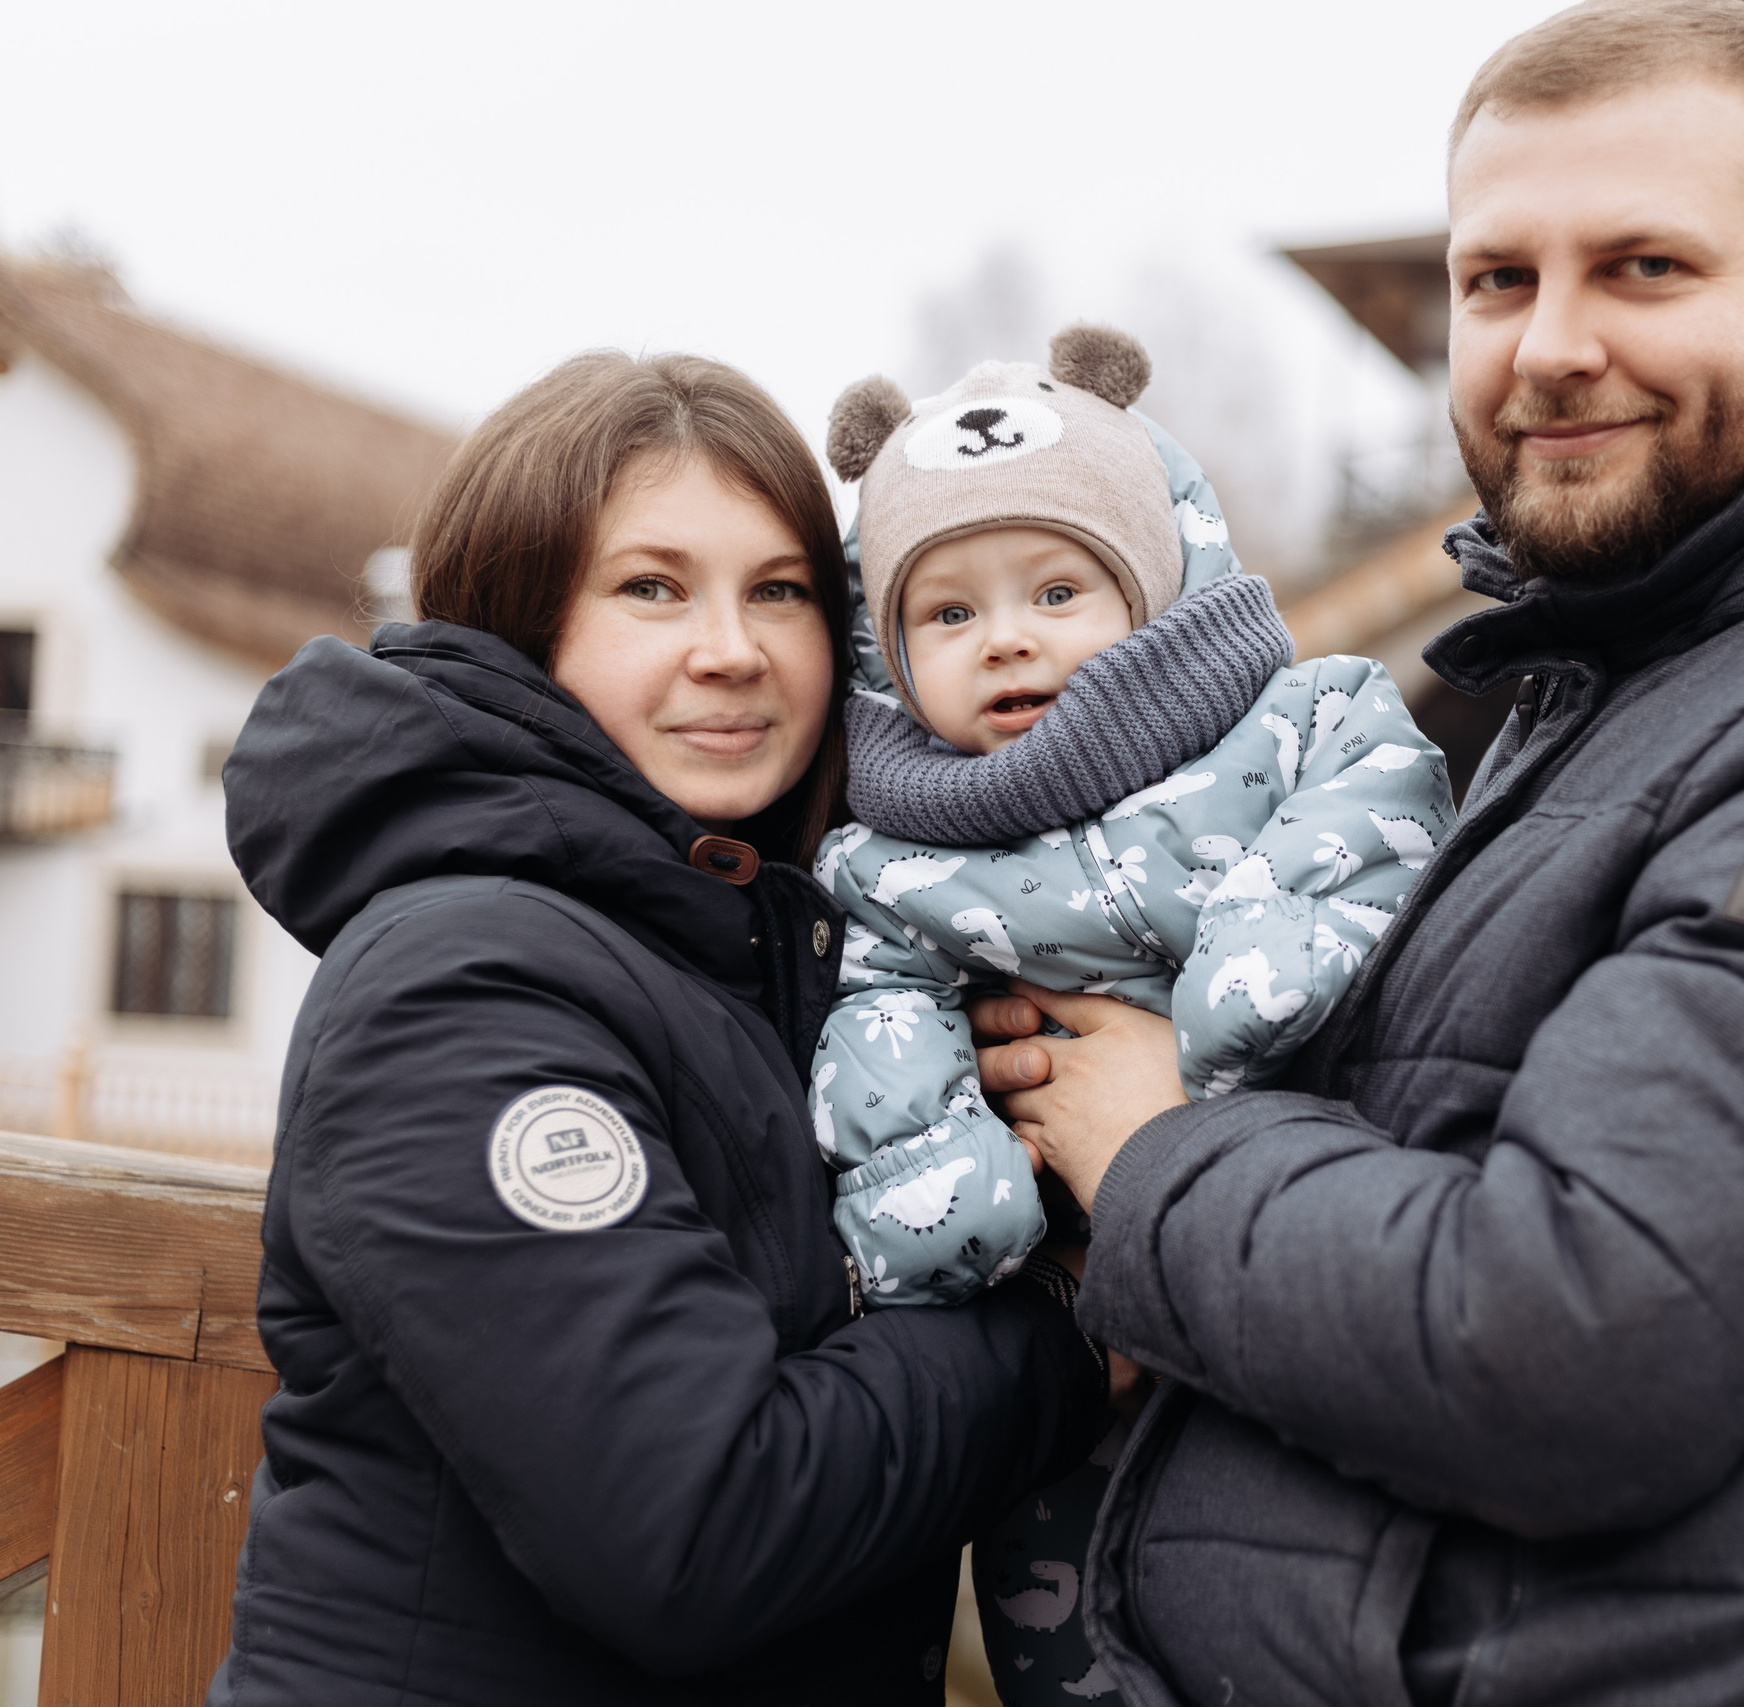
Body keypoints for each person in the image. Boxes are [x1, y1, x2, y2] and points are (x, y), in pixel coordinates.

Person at [968, 2, 1744, 1702]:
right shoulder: (1633, 668)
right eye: (1499, 280)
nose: (1550, 345)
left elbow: (1562, 1354)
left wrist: (1153, 1154)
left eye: (1643, 269)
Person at [211, 351, 1108, 1706]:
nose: (732, 650)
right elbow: (691, 1531)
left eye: (781, 592)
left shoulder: (767, 949)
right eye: (652, 588)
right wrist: (1078, 1324)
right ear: (518, 627)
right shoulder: (460, 986)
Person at [806, 324, 1451, 1701]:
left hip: (1290, 1253)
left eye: (1056, 587)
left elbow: (1378, 809)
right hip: (1064, 1314)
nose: (1011, 639)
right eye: (951, 613)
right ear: (890, 650)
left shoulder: (1290, 724)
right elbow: (879, 1014)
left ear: (1153, 588)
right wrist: (935, 1178)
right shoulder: (893, 856)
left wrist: (1255, 964)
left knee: (1288, 1606)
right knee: (1066, 1628)